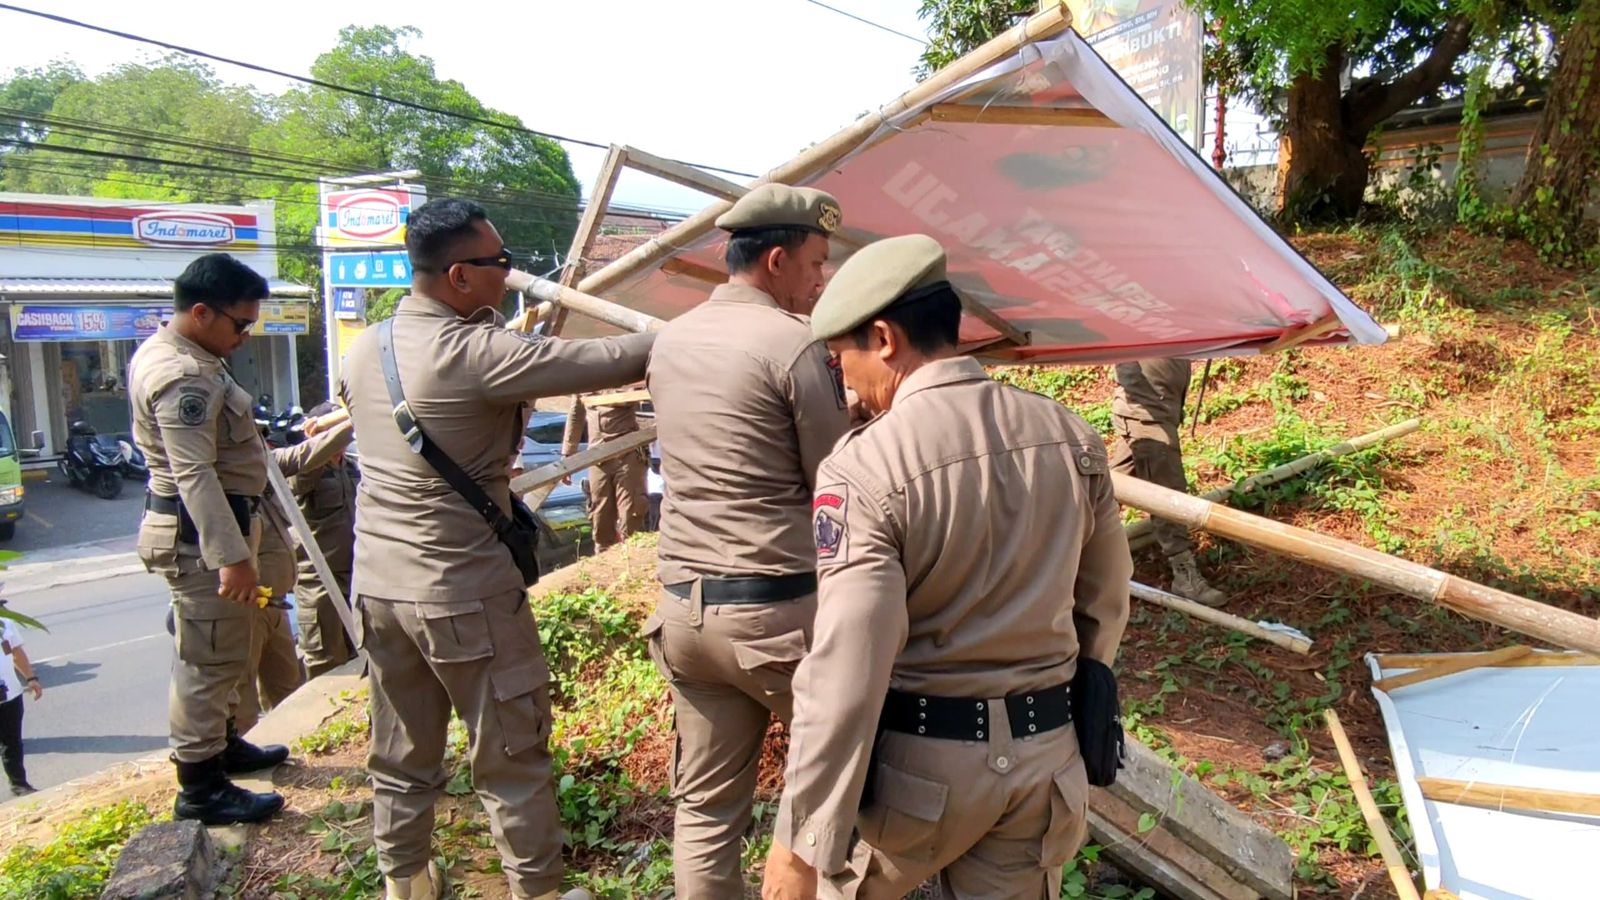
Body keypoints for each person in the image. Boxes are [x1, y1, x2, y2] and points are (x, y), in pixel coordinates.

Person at [762, 234, 1133, 899]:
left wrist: (800, 842)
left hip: (919, 777)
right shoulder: (1070, 436)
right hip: (1044, 768)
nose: (841, 377)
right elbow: (1104, 602)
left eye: (839, 355)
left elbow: (848, 666)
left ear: (882, 338)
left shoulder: (865, 467)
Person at [340, 198, 652, 900]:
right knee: (511, 754)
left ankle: (407, 882)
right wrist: (700, 334)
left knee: (401, 750)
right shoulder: (471, 351)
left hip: (381, 588)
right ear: (458, 276)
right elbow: (604, 358)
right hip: (462, 593)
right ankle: (538, 891)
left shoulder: (367, 346)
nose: (510, 275)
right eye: (499, 263)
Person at [644, 183, 851, 899]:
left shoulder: (673, 337)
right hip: (775, 613)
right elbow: (834, 476)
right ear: (774, 260)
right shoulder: (795, 345)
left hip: (684, 613)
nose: (821, 279)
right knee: (841, 780)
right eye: (816, 262)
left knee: (704, 809)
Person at [129, 252, 288, 826]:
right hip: (201, 539)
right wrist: (232, 558)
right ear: (201, 312)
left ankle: (222, 747)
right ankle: (200, 788)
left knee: (227, 652)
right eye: (239, 324)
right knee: (207, 660)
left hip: (216, 527)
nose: (245, 337)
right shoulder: (183, 375)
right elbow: (193, 472)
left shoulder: (193, 354)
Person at [1110, 360, 1228, 606]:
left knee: (1111, 488)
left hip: (1156, 406)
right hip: (1146, 411)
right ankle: (1184, 574)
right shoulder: (1136, 320)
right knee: (1168, 494)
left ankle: (1067, 547)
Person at [289, 403, 358, 678]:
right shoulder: (305, 470)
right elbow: (298, 479)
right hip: (319, 582)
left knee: (361, 657)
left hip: (354, 577)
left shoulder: (352, 467)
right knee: (325, 665)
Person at [558, 390, 648, 551]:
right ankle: (603, 556)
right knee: (600, 516)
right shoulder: (586, 380)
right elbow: (575, 415)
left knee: (630, 513)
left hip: (628, 454)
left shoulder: (625, 373)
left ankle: (632, 557)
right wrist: (567, 455)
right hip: (598, 457)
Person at [1, 605, 42, 797]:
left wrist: (31, 678)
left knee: (12, 742)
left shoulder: (4, 623)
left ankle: (19, 784)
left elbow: (14, 651)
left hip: (10, 693)